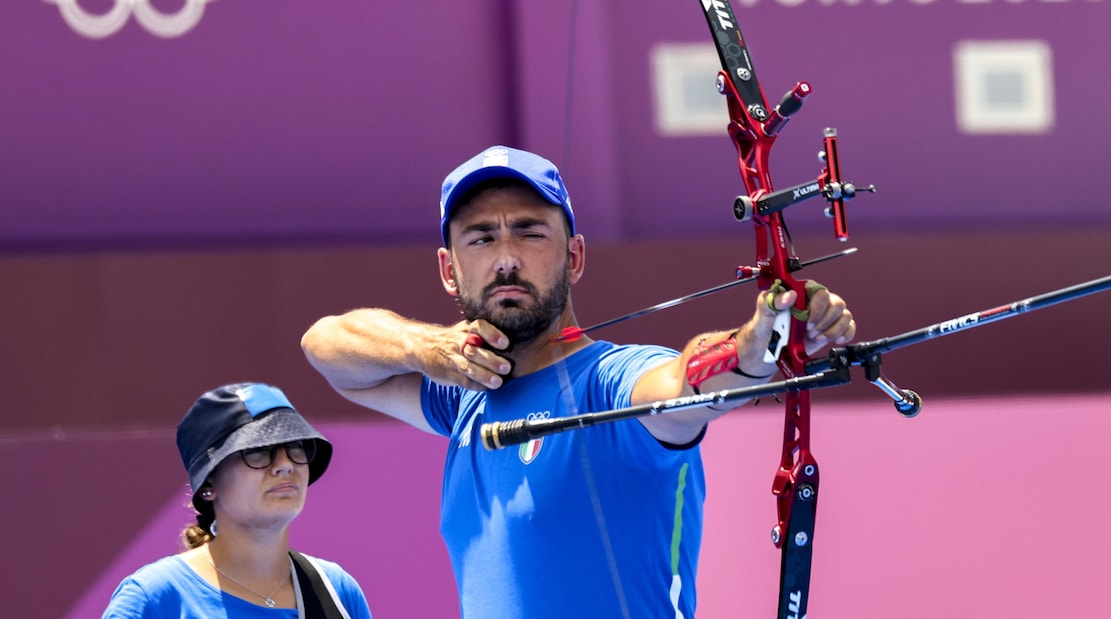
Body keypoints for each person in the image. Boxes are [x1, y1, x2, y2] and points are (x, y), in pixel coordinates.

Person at [300, 146, 855, 618]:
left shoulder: (610, 382)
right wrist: (423, 348)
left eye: (529, 232)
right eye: (481, 238)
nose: (506, 259)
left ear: (575, 255)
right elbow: (326, 348)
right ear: (449, 269)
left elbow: (683, 385)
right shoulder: (464, 395)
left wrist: (758, 343)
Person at [102, 382, 373, 619]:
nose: (285, 465)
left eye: (295, 447)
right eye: (258, 451)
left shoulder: (337, 590)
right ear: (208, 485)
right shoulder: (153, 598)